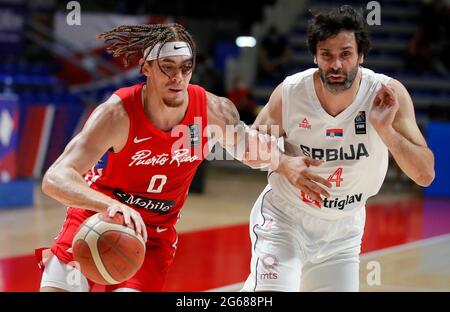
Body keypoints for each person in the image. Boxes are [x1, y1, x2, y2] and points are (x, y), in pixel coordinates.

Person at [36, 23, 291, 292]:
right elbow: (55, 178)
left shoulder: (213, 110)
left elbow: (251, 151)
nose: (177, 77)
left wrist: (290, 161)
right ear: (146, 67)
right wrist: (109, 205)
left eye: (186, 67)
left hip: (152, 238)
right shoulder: (116, 115)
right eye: (167, 66)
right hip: (95, 221)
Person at [242, 5, 435, 292]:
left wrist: (386, 131)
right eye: (327, 55)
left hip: (343, 232)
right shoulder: (291, 92)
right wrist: (282, 162)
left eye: (345, 54)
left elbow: (425, 174)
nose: (336, 65)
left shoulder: (386, 94)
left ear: (361, 55)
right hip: (285, 219)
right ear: (315, 56)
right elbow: (248, 149)